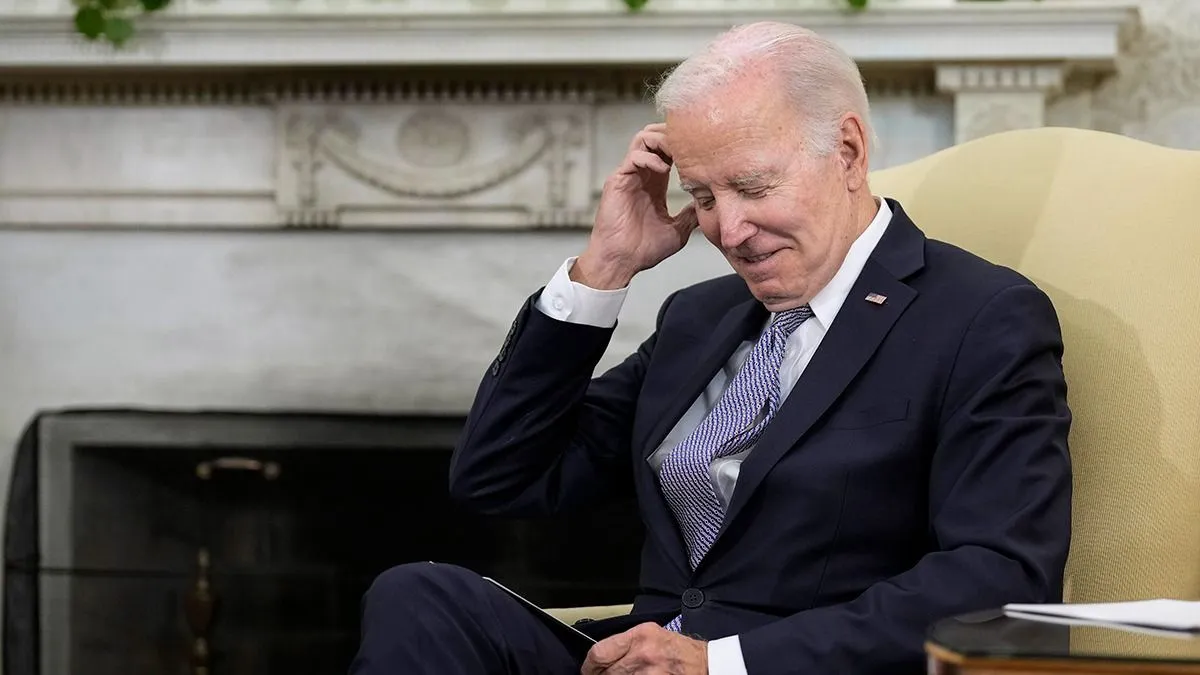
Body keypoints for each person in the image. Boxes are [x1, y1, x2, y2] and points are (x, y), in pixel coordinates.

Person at [349, 20, 1072, 675]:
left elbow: (998, 575)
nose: (728, 231)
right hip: (637, 659)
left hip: (792, 665)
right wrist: (604, 269)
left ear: (847, 151)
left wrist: (721, 661)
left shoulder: (981, 316)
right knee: (419, 595)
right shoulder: (701, 317)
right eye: (702, 196)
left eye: (752, 187)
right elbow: (499, 476)